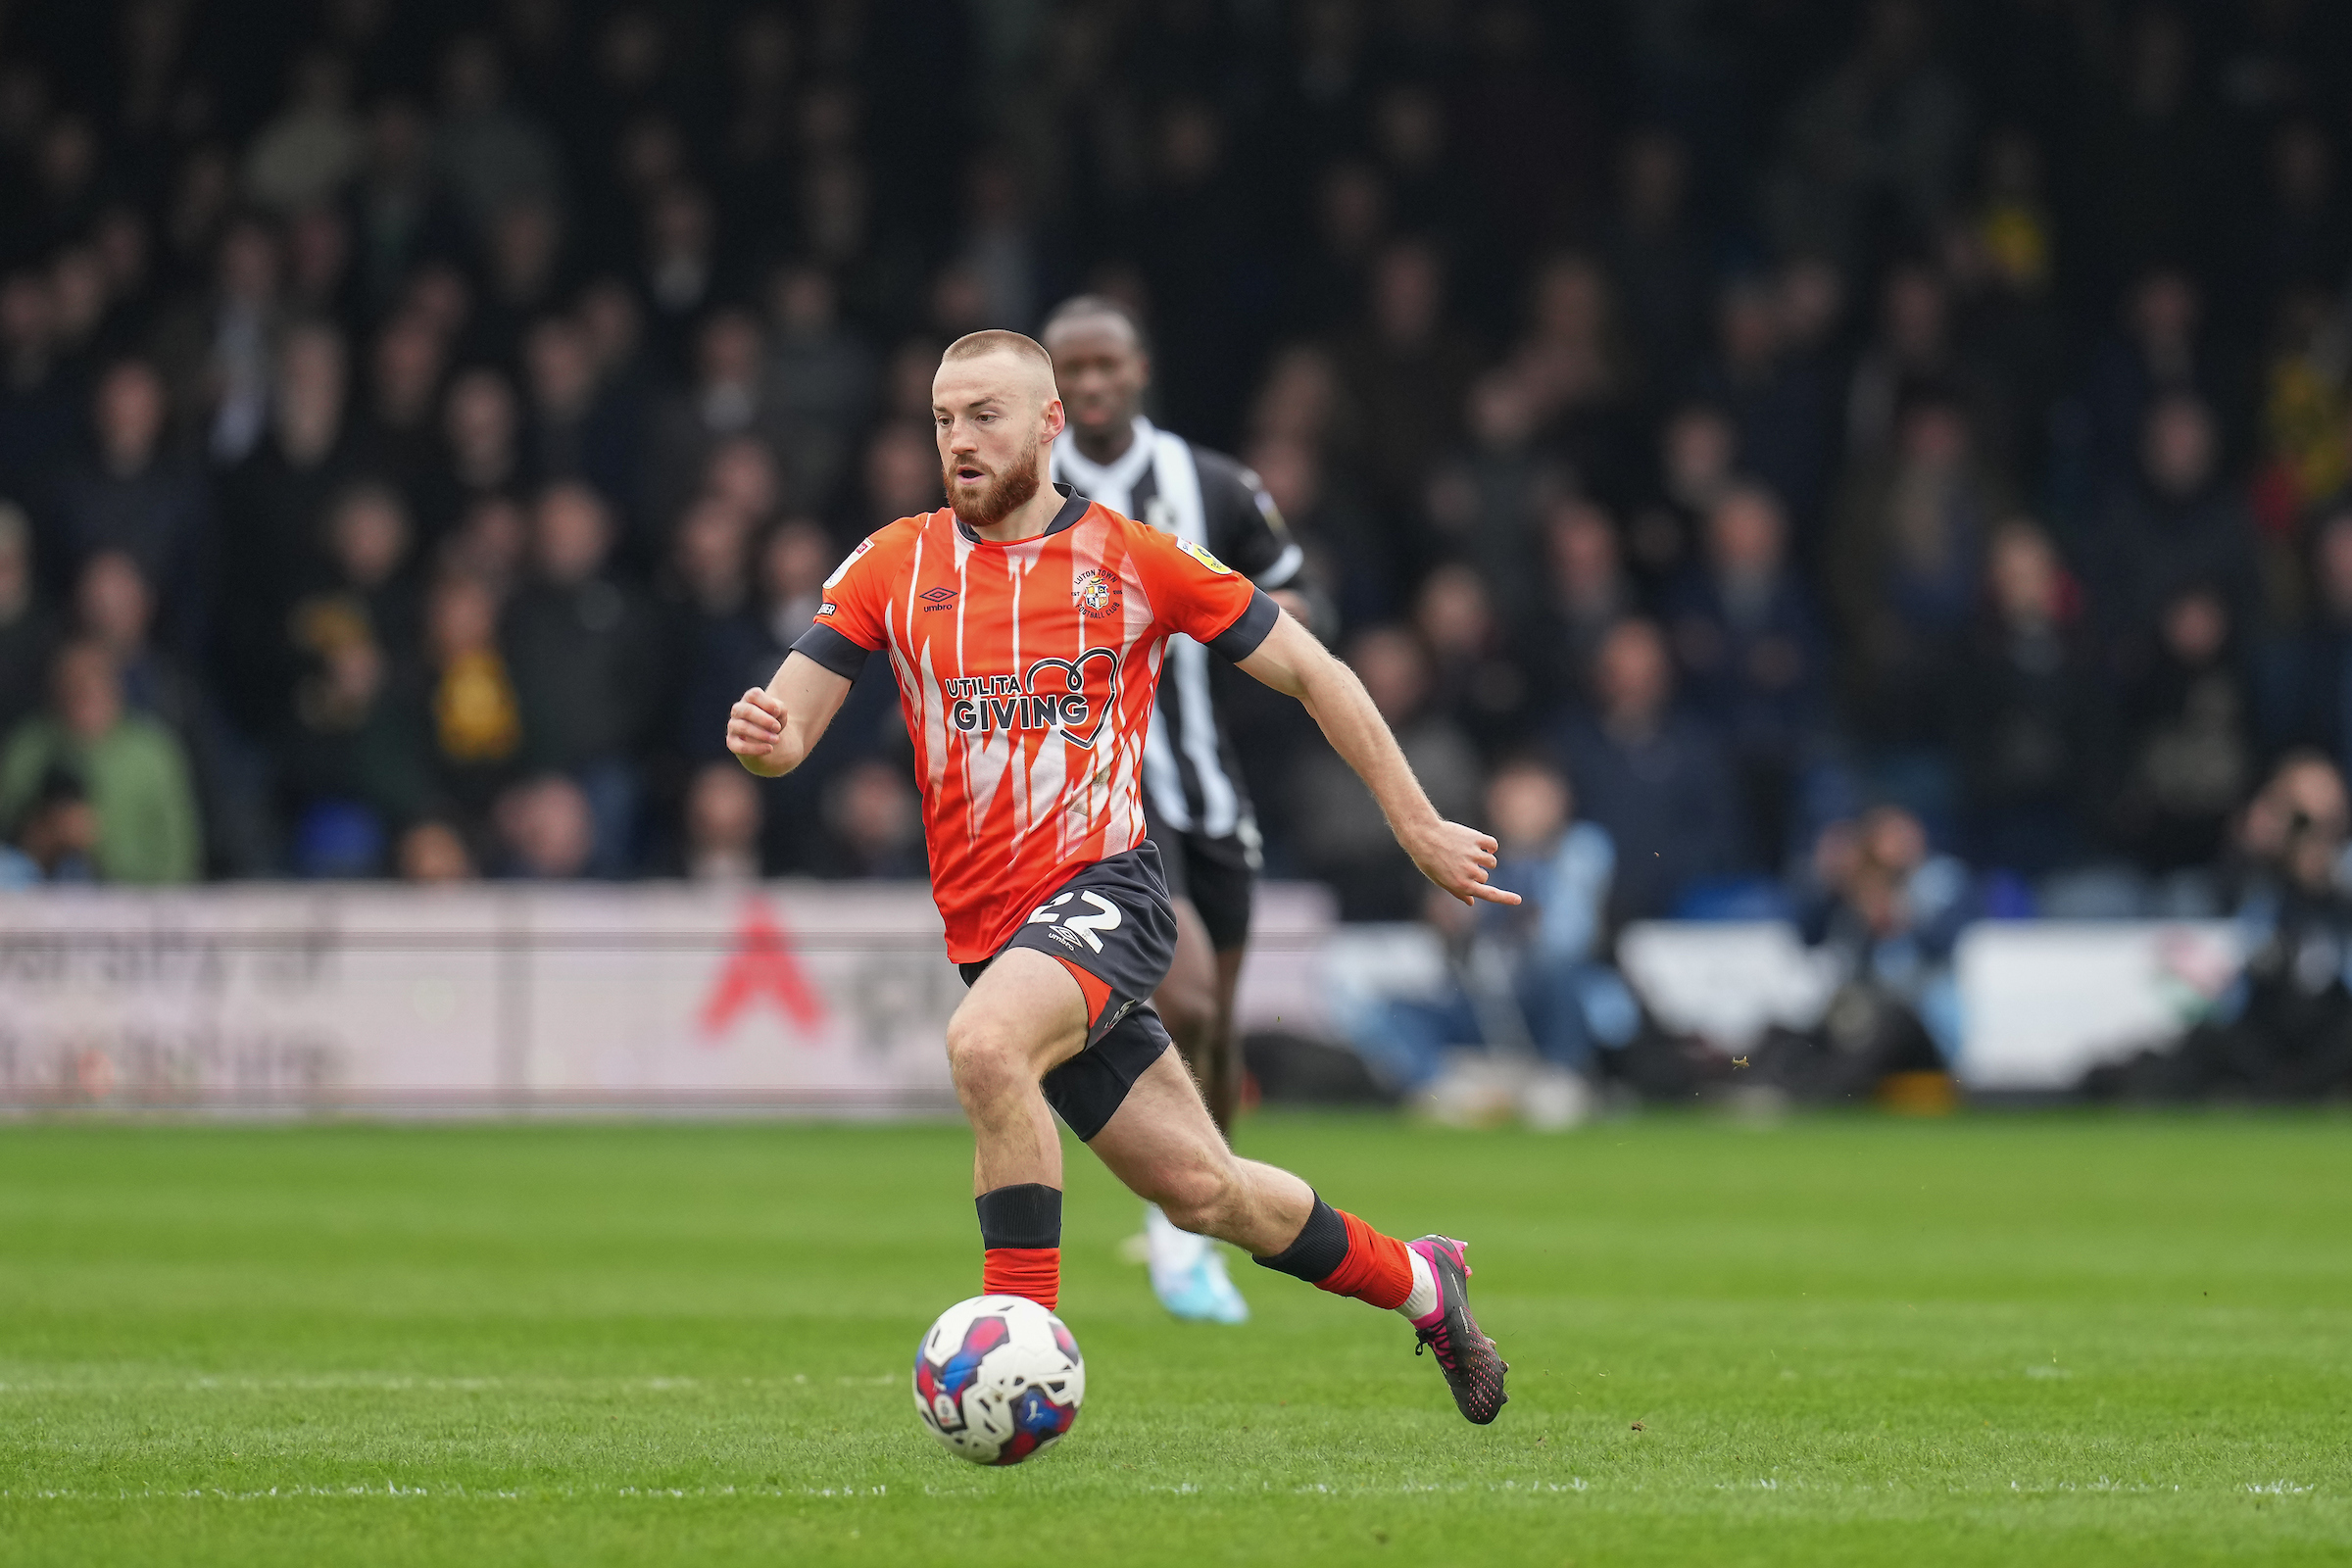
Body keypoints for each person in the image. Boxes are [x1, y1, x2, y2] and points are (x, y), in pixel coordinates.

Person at [726, 332, 1512, 1425]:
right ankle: (1426, 1282)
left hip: (1107, 891)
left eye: (986, 416)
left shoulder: (1134, 557)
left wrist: (1417, 824)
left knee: (986, 1046)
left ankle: (1015, 1352)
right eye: (946, 418)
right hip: (994, 936)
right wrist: (758, 737)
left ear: (1051, 424)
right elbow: (788, 732)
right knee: (1205, 1192)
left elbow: (1315, 668)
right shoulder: (890, 564)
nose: (960, 438)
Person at [1040, 294, 1312, 1325]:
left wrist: (1252, 626)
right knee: (1187, 998)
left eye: (1109, 365)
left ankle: (1202, 1206)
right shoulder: (1033, 492)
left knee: (1220, 1029)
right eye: (1075, 370)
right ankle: (1176, 1225)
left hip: (1206, 791)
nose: (1095, 385)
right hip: (1103, 806)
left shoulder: (1212, 485)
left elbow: (1299, 595)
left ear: (1140, 368)